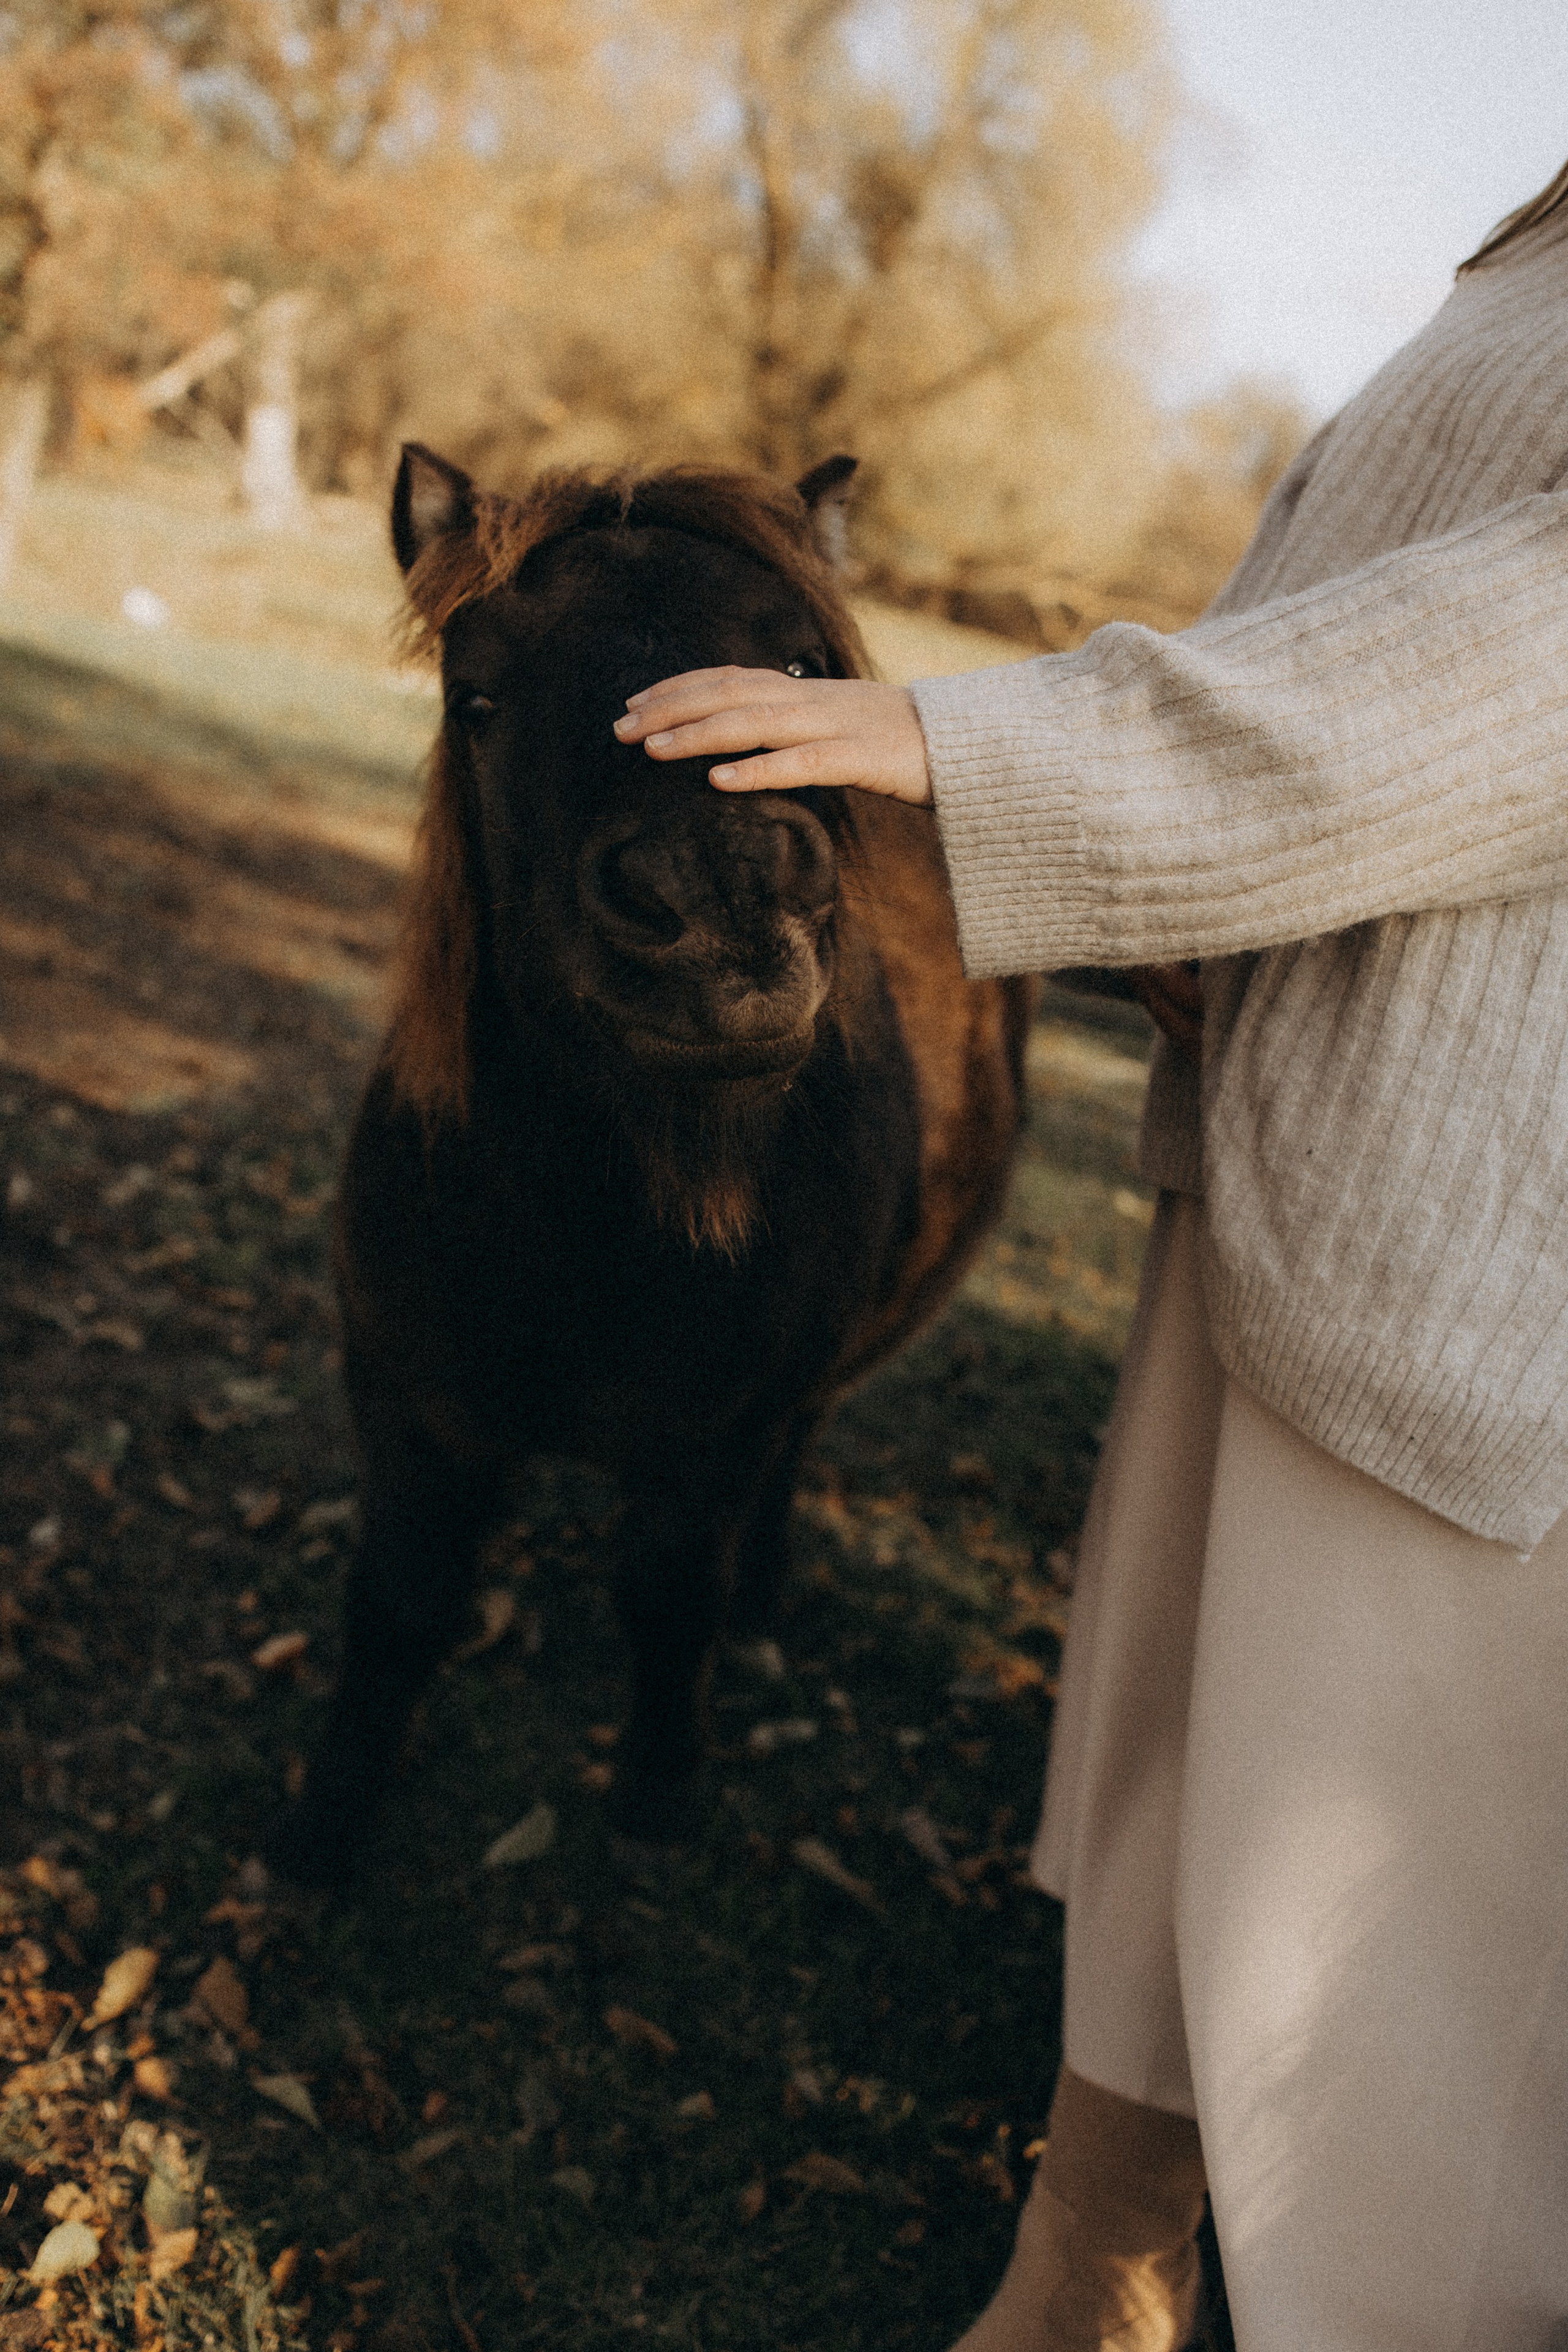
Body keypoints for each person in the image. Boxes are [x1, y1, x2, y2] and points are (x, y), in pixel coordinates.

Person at [613, 161, 1568, 2352]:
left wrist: (980, 747)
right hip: (1305, 1144)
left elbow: (1514, 662)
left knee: (1394, 1952)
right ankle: (1086, 2285)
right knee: (1178, 1779)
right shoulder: (1533, 240)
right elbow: (1346, 588)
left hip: (1492, 1230)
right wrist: (1178, 907)